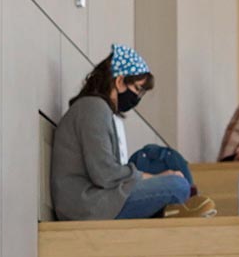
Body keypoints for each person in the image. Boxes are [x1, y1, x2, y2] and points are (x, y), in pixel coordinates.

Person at [50, 44, 217, 220]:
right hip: (89, 205)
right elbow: (105, 173)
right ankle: (177, 209)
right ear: (120, 81)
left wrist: (150, 176)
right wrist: (152, 177)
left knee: (158, 161)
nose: (137, 98)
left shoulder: (97, 109)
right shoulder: (94, 107)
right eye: (137, 89)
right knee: (178, 184)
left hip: (96, 200)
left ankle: (174, 210)